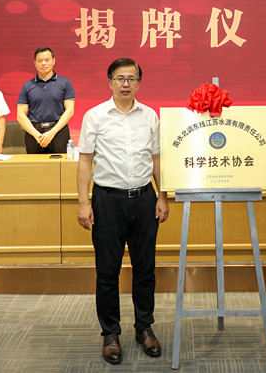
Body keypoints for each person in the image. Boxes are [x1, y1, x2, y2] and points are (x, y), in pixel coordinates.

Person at [76, 57, 169, 365]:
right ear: (110, 82)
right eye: (120, 78)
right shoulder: (95, 116)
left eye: (131, 78)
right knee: (107, 272)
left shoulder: (150, 116)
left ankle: (144, 327)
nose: (126, 83)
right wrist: (83, 202)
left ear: (139, 83)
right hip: (107, 201)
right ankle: (110, 333)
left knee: (145, 269)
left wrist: (162, 195)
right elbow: (85, 160)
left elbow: (157, 159)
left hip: (144, 199)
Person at [16, 47, 75, 154]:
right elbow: (20, 115)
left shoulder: (65, 83)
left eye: (47, 60)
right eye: (40, 60)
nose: (43, 63)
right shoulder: (27, 86)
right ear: (35, 63)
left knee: (60, 163)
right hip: (34, 133)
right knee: (35, 164)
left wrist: (52, 133)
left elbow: (69, 111)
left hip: (58, 131)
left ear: (53, 61)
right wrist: (37, 135)